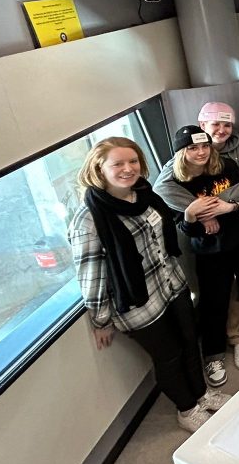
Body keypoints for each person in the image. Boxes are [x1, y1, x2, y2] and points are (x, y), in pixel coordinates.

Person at [68, 137, 230, 433]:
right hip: (139, 303)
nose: (128, 169)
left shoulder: (144, 193)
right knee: (169, 356)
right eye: (118, 163)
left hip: (172, 284)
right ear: (99, 169)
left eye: (133, 161)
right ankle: (187, 409)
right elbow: (91, 275)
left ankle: (202, 393)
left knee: (190, 341)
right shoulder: (89, 219)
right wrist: (101, 320)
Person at [169, 126, 239, 386]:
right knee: (213, 301)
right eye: (193, 148)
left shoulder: (227, 166)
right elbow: (184, 227)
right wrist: (195, 216)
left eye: (204, 146)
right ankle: (213, 355)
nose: (201, 152)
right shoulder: (176, 184)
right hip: (208, 249)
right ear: (181, 153)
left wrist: (229, 207)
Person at [154, 101, 239, 372]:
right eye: (216, 124)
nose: (222, 130)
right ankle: (221, 346)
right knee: (212, 293)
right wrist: (200, 212)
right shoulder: (183, 153)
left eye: (227, 124)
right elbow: (162, 188)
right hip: (204, 237)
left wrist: (224, 204)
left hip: (238, 225)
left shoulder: (238, 148)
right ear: (202, 126)